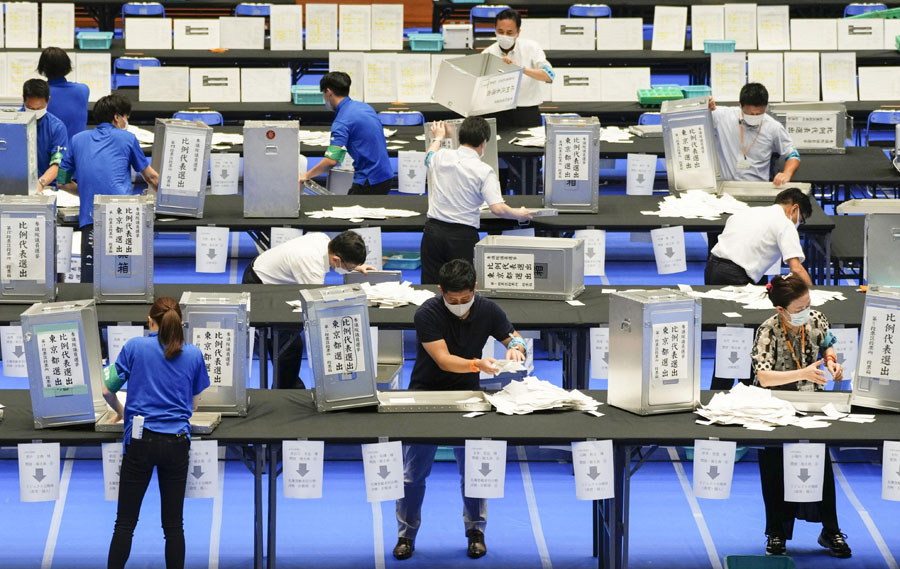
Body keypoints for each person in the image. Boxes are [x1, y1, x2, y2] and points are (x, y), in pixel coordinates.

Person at [393, 259, 528, 561]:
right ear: (440, 290)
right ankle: (406, 534)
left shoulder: (488, 310)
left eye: (465, 299)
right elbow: (443, 359)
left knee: (474, 471)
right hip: (426, 393)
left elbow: (514, 336)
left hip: (470, 395)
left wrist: (517, 347)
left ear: (474, 289)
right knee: (413, 473)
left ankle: (476, 531)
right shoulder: (427, 313)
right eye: (452, 300)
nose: (458, 305)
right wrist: (478, 364)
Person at [101, 297, 211, 569]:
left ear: (150, 321)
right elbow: (194, 405)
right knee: (174, 526)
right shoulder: (194, 354)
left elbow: (106, 390)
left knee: (125, 524)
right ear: (180, 324)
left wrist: (121, 412)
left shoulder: (134, 347)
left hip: (140, 442)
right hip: (177, 444)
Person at [750, 273, 851, 559]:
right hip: (773, 407)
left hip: (811, 404)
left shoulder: (816, 319)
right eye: (799, 309)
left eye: (808, 305)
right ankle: (776, 533)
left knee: (820, 464)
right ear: (781, 310)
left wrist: (831, 361)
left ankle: (830, 530)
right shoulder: (767, 331)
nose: (806, 312)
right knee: (774, 467)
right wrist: (802, 373)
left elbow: (827, 342)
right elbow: (764, 377)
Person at [705, 187, 813, 390]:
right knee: (745, 337)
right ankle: (747, 389)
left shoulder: (747, 212)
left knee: (729, 336)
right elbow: (796, 268)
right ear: (794, 209)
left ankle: (722, 391)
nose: (798, 223)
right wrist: (811, 293)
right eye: (801, 219)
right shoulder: (784, 223)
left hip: (712, 269)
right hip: (735, 276)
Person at [242, 230, 373, 389]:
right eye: (349, 268)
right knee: (288, 345)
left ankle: (287, 384)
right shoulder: (311, 267)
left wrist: (355, 266)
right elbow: (317, 306)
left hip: (276, 277)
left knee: (287, 346)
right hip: (260, 285)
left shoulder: (324, 240)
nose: (350, 270)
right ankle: (284, 391)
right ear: (336, 259)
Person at [57, 93, 159, 283]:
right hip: (123, 217)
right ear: (117, 117)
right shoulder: (128, 138)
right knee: (125, 277)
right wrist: (172, 198)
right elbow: (151, 177)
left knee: (91, 280)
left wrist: (86, 192)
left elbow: (61, 180)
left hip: (91, 218)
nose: (126, 121)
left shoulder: (77, 139)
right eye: (126, 117)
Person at [420, 118, 536, 284]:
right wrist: (519, 214)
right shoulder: (484, 171)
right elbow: (497, 208)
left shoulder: (442, 156)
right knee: (462, 286)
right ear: (484, 143)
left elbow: (428, 157)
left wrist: (438, 137)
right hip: (462, 236)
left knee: (430, 287)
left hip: (433, 233)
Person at [298, 72, 393, 195]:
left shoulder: (342, 121)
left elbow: (331, 161)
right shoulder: (364, 107)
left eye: (323, 94)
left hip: (370, 180)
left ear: (328, 92)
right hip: (386, 174)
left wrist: (306, 175)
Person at [709, 83, 800, 185]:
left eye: (759, 114)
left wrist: (786, 174)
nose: (754, 116)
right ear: (740, 105)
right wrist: (705, 103)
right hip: (724, 186)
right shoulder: (722, 117)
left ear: (765, 107)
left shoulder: (773, 127)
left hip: (757, 187)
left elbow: (793, 155)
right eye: (750, 114)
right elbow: (697, 116)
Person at [483, 8, 554, 130]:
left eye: (509, 32)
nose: (504, 36)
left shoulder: (532, 48)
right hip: (497, 112)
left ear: (518, 32)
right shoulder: (487, 53)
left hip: (527, 111)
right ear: (495, 30)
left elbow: (549, 76)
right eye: (500, 31)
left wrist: (521, 70)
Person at [38, 47, 90, 149]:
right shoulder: (83, 90)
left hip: (51, 154)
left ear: (42, 68)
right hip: (77, 152)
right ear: (67, 66)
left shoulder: (38, 94)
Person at [21, 79, 68, 190]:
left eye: (39, 108)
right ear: (23, 99)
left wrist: (40, 183)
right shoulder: (11, 124)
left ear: (48, 100)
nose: (35, 112)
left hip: (47, 185)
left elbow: (57, 163)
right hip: (15, 184)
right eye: (31, 108)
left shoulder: (56, 127)